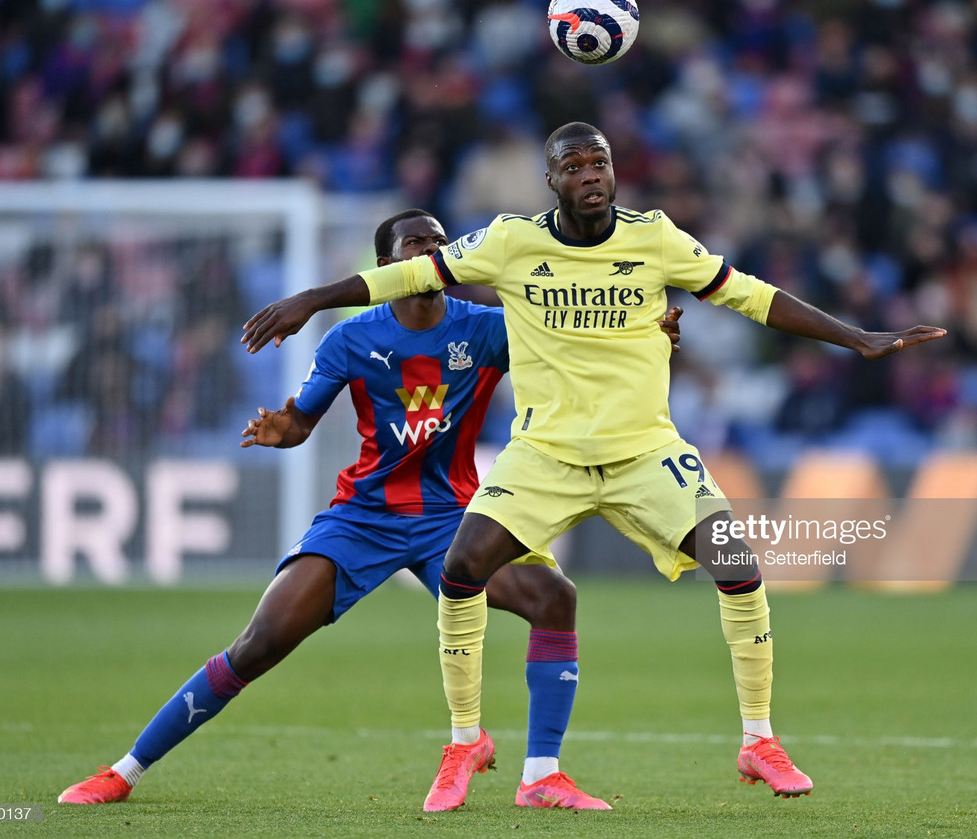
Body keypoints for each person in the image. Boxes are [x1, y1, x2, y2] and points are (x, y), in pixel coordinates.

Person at [242, 122, 947, 808]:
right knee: (462, 569)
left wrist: (856, 338)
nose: (591, 176)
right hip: (546, 455)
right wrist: (312, 299)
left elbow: (752, 295)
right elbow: (408, 276)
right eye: (574, 166)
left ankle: (759, 740)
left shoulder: (656, 238)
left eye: (600, 163)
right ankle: (464, 742)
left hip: (645, 450)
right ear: (551, 180)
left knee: (736, 558)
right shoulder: (512, 242)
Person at [58, 208, 685, 811]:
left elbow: (578, 347)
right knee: (260, 641)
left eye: (438, 239)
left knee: (555, 597)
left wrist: (648, 338)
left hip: (454, 518)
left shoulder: (490, 327)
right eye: (414, 243)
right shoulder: (352, 337)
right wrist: (284, 428)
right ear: (387, 264)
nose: (430, 248)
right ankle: (122, 772)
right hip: (365, 517)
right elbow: (303, 420)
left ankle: (541, 774)